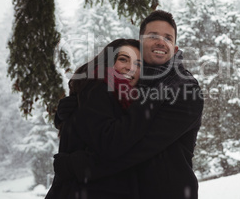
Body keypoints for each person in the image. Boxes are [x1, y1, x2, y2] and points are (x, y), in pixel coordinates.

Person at [52, 10, 204, 199]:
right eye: (153, 36)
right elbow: (103, 125)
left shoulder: (184, 90)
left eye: (168, 38)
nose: (160, 41)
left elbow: (135, 148)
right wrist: (73, 112)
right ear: (141, 43)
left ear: (174, 48)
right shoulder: (131, 83)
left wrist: (77, 166)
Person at [45, 38, 142, 199]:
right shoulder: (99, 89)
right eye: (123, 59)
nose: (130, 68)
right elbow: (111, 148)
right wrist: (74, 165)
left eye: (138, 64)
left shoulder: (123, 98)